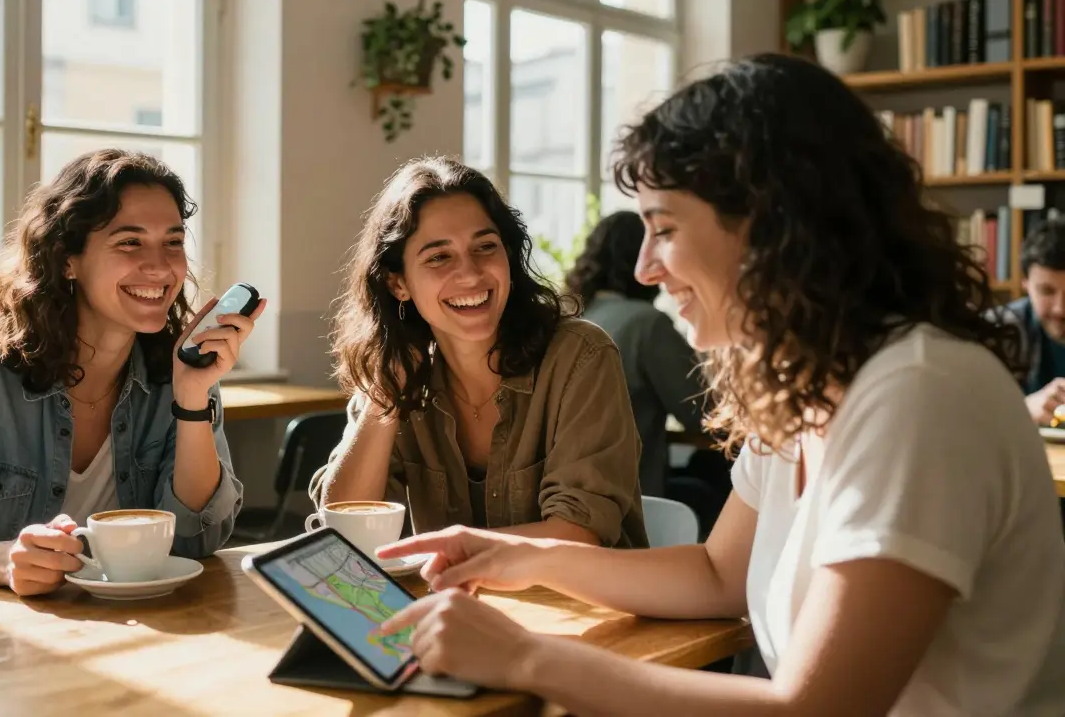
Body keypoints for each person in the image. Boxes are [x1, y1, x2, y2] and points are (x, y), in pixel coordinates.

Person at [373, 54, 1065, 715]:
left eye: (663, 229)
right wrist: (520, 555)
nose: (645, 268)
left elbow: (818, 710)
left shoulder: (919, 394)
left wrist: (526, 659)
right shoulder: (800, 389)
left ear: (772, 228)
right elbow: (715, 573)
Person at [0, 149, 259, 717]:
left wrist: (191, 402)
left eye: (174, 241)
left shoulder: (184, 376)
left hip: (104, 654)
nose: (160, 268)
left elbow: (193, 544)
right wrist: (5, 562)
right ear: (67, 259)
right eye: (129, 242)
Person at [310, 156, 648, 548]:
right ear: (398, 283)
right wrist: (384, 400)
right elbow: (342, 530)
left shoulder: (581, 356)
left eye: (486, 247)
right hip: (452, 604)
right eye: (439, 256)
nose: (471, 274)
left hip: (582, 605)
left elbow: (578, 533)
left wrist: (449, 550)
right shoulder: (395, 372)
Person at [564, 210, 712, 501]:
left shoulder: (573, 321)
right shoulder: (646, 324)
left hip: (572, 499)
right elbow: (705, 413)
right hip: (633, 505)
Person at [994, 218, 1065, 424]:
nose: (1060, 308)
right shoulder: (997, 330)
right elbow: (966, 416)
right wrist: (1023, 409)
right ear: (1025, 283)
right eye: (1047, 291)